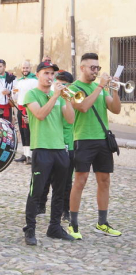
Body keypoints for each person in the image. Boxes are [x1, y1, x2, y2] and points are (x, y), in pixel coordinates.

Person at [68, 53, 122, 240]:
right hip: (83, 139)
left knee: (104, 181)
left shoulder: (100, 89)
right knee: (80, 181)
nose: (96, 71)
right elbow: (82, 106)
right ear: (82, 68)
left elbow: (115, 109)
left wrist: (114, 90)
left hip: (102, 140)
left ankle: (102, 222)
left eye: (98, 68)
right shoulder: (73, 88)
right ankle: (73, 224)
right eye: (92, 68)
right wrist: (100, 86)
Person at [22, 61, 75, 245]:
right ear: (38, 75)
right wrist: (55, 97)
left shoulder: (59, 97)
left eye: (52, 74)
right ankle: (30, 229)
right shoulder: (32, 94)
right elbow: (40, 114)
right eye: (46, 73)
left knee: (60, 192)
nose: (50, 77)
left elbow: (70, 119)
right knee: (36, 192)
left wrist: (66, 99)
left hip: (60, 149)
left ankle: (54, 227)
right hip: (42, 149)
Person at [37, 71, 75, 222]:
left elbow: (72, 119)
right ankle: (41, 206)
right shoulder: (50, 98)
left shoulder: (69, 98)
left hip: (68, 143)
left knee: (66, 181)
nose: (62, 87)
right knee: (45, 177)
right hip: (52, 143)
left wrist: (68, 99)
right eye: (59, 83)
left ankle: (66, 210)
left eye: (65, 85)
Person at [13, 61, 38, 165]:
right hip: (19, 107)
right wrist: (13, 94)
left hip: (28, 109)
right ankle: (25, 154)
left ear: (30, 68)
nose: (25, 70)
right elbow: (16, 95)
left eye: (27, 68)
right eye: (23, 68)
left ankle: (30, 155)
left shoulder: (34, 81)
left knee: (28, 132)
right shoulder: (19, 81)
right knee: (22, 132)